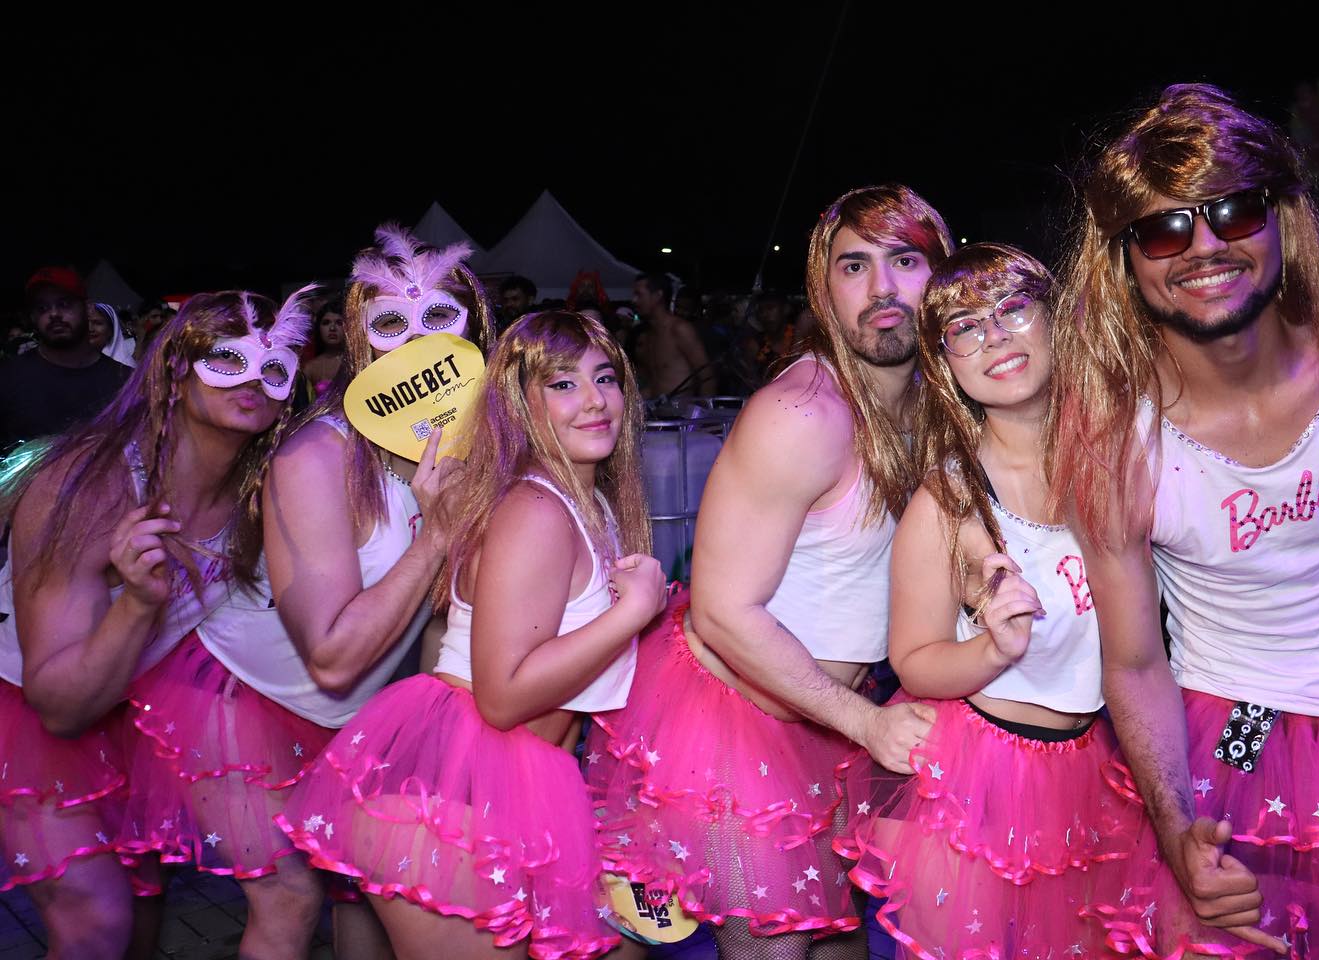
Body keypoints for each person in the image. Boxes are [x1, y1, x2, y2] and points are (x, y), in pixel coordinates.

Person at [1047, 83, 1319, 958]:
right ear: (1126, 260)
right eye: (1163, 228)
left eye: (1233, 211)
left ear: (1281, 221)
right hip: (1244, 721)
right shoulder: (1114, 440)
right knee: (1239, 932)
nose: (1203, 246)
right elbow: (1135, 659)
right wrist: (1177, 827)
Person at [588, 184, 950, 959]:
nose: (882, 288)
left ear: (941, 274)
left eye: (906, 260)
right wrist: (865, 721)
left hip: (829, 720)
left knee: (840, 943)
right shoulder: (801, 414)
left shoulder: (932, 402)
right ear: (823, 288)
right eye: (854, 265)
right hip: (733, 723)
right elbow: (723, 611)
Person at [279, 311, 664, 960]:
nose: (595, 400)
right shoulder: (536, 509)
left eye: (605, 378)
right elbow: (504, 697)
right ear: (517, 402)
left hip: (525, 777)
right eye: (562, 384)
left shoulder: (591, 501)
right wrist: (631, 614)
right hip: (455, 788)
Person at [837, 244, 1142, 960]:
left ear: (1055, 321)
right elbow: (914, 661)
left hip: (1094, 768)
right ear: (946, 364)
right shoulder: (948, 500)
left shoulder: (1123, 460)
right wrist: (993, 649)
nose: (996, 336)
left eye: (1012, 310)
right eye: (966, 328)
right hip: (977, 777)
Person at [0, 290, 304, 958]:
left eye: (276, 366)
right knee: (95, 922)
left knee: (143, 914)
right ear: (174, 370)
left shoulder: (265, 490)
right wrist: (138, 602)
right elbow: (57, 709)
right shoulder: (88, 485)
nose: (254, 378)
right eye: (228, 359)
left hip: (141, 710)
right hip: (35, 715)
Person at [0, 268, 131, 449]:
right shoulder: (8, 379)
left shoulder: (124, 382)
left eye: (64, 303)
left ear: (88, 308)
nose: (54, 314)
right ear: (33, 317)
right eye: (42, 308)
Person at [632, 272, 714, 398]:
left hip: (682, 409)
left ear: (658, 296)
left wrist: (705, 408)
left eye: (639, 295)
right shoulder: (646, 336)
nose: (634, 300)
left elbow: (707, 376)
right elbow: (655, 382)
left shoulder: (679, 330)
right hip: (656, 408)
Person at [301, 295, 345, 400]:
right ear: (318, 328)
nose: (332, 328)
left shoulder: (358, 362)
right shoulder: (310, 368)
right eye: (326, 323)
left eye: (339, 323)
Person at [87, 301, 139, 367]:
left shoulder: (125, 364)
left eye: (98, 323)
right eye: (86, 323)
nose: (90, 328)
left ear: (112, 329)